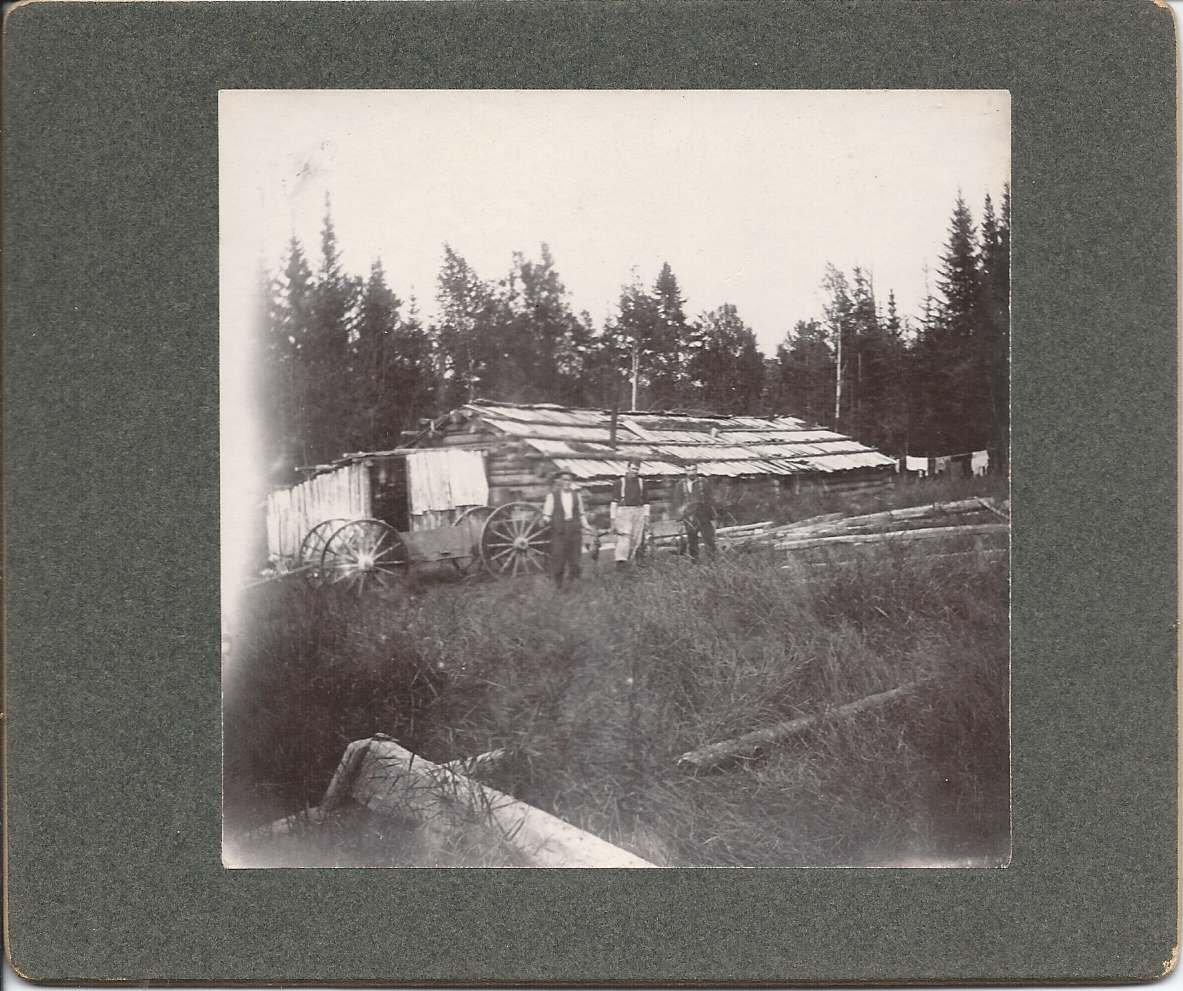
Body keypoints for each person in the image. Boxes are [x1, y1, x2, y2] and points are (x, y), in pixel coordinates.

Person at [540, 470, 593, 589]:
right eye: (564, 479)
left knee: (575, 558)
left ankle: (572, 582)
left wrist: (586, 525)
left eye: (569, 480)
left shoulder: (576, 495)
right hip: (559, 530)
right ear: (559, 481)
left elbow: (581, 514)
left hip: (574, 529)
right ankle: (559, 584)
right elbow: (547, 514)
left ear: (572, 481)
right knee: (558, 557)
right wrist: (545, 520)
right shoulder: (552, 496)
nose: (566, 482)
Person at [670, 463, 717, 562]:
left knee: (709, 539)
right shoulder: (681, 484)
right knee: (692, 540)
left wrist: (713, 516)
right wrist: (679, 516)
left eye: (693, 470)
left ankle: (713, 562)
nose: (691, 473)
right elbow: (677, 501)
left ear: (696, 470)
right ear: (685, 471)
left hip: (703, 514)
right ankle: (694, 562)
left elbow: (710, 499)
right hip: (689, 516)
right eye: (688, 470)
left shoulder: (703, 482)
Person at [611, 459, 649, 570]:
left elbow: (646, 501)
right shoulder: (620, 482)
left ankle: (639, 560)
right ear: (628, 468)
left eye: (637, 469)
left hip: (639, 511)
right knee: (624, 536)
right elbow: (614, 502)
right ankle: (621, 563)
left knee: (639, 537)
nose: (635, 471)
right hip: (624, 511)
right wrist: (613, 520)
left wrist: (647, 517)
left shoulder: (642, 482)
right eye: (633, 468)